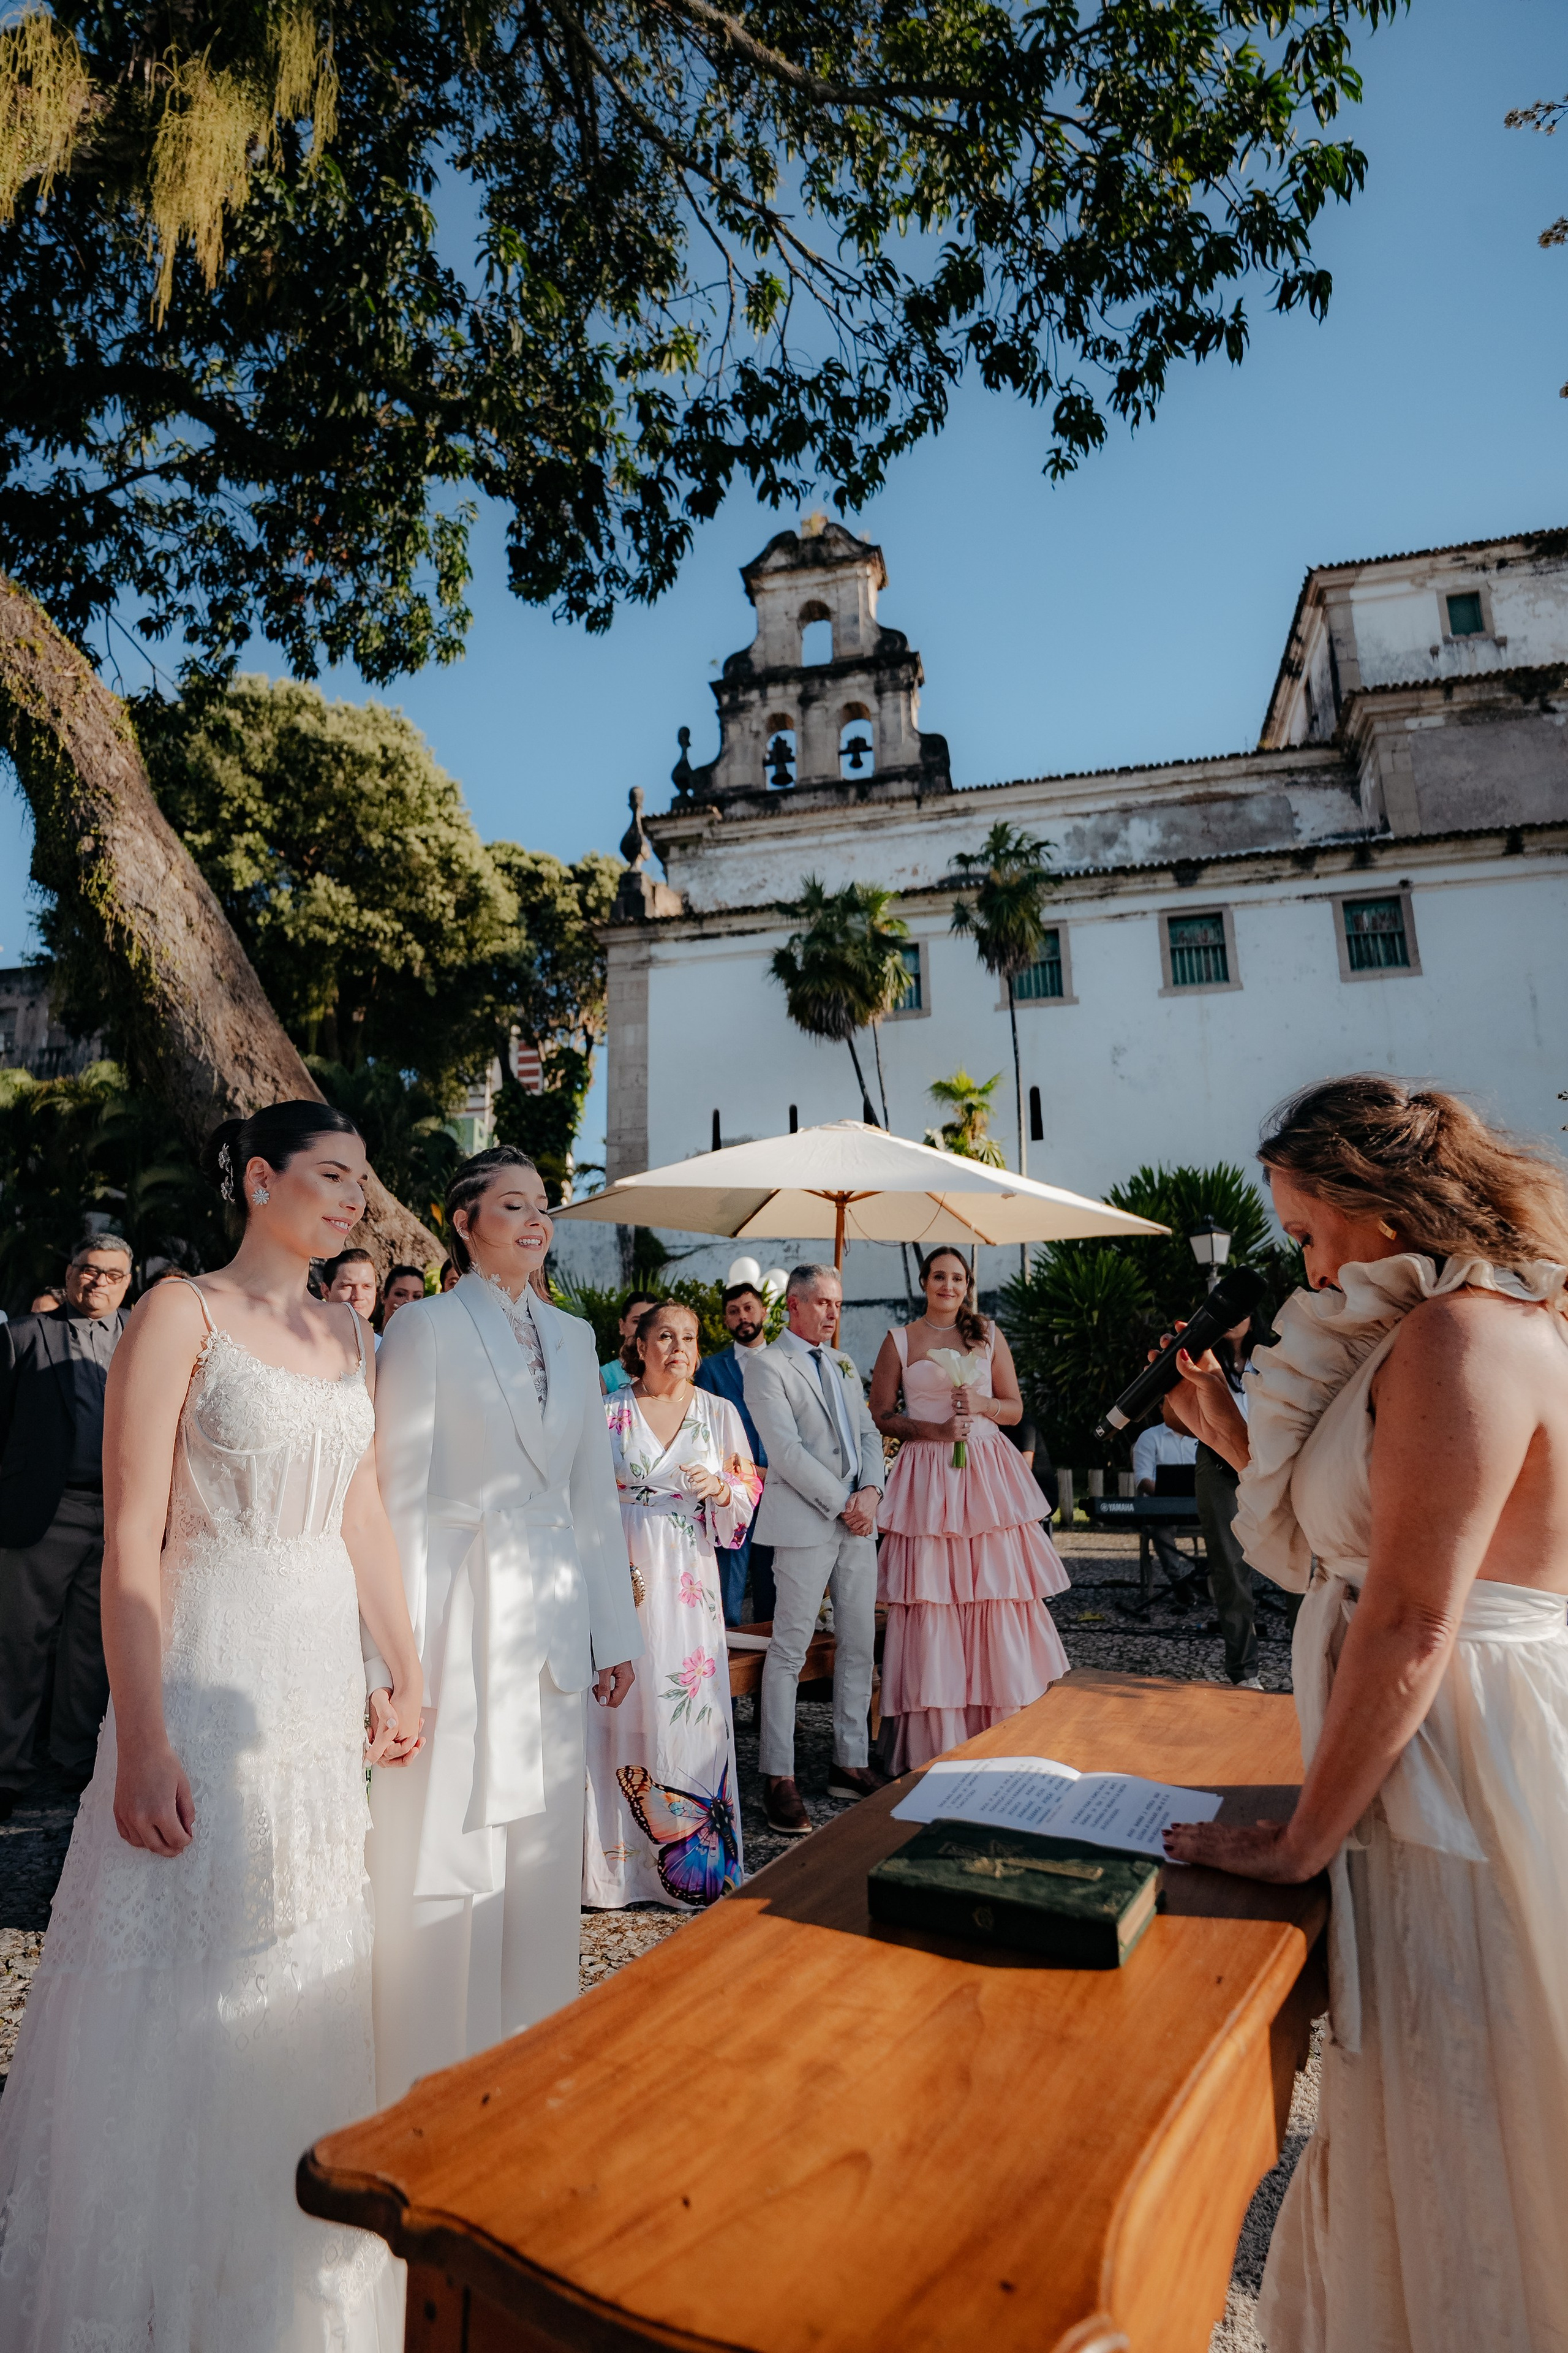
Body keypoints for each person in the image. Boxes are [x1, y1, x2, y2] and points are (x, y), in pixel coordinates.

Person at [0, 1101, 424, 2353]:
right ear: (258, 1180)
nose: (353, 1197)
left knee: (301, 1954)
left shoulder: (348, 1330)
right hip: (204, 1660)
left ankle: (284, 2269)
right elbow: (133, 1536)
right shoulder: (175, 1310)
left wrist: (405, 1667)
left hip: (310, 1680)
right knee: (180, 1965)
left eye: (362, 1179)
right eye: (332, 1176)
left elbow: (366, 1516)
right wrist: (138, 1741)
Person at [1161, 1075, 1568, 2353]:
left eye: (1308, 1226)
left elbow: (1410, 1616)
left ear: (1374, 1206)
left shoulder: (1462, 1338)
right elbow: (1357, 1553)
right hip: (1417, 1728)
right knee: (1406, 2086)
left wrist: (1297, 1841)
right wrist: (1238, 1443)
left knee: (1468, 2087)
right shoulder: (1424, 1330)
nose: (1302, 1255)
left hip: (1461, 1749)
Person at [366, 1144, 642, 2103]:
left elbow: (591, 1498)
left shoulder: (573, 1337)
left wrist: (616, 1632)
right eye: (512, 1205)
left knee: (538, 1844)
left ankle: (531, 2061)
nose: (535, 1221)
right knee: (450, 1836)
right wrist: (388, 1659)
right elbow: (396, 1500)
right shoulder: (424, 1329)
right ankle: (428, 2069)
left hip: (554, 1614)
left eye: (543, 1206)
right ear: (463, 1222)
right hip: (452, 1609)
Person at [584, 1300, 758, 1909]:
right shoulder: (606, 1411)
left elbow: (745, 1494)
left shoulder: (719, 1412)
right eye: (665, 1334)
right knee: (618, 1703)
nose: (678, 1346)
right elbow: (578, 1496)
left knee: (685, 1705)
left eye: (688, 1336)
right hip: (620, 1563)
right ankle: (613, 1870)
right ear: (640, 1342)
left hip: (687, 1573)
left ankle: (699, 1868)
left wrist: (723, 1490)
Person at [870, 1245, 1070, 1773]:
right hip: (927, 1475)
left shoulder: (987, 1334)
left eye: (957, 1277)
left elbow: (1015, 1407)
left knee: (993, 1592)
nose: (948, 1285)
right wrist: (934, 1431)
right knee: (934, 1596)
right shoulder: (899, 1340)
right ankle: (937, 1740)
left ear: (967, 1284)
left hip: (986, 1474)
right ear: (924, 1280)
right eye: (939, 1276)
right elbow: (882, 1414)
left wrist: (981, 1405)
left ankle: (1001, 1730)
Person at [741, 1264, 888, 1837]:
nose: (832, 1313)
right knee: (790, 1649)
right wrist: (844, 1501)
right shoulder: (767, 1366)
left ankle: (849, 1760)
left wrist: (872, 1493)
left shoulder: (845, 1363)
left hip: (859, 1521)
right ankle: (779, 1775)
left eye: (837, 1304)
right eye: (822, 1302)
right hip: (807, 1522)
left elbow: (870, 1433)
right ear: (794, 1306)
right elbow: (785, 1450)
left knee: (859, 1643)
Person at [0, 1232, 134, 1818]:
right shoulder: (26, 1336)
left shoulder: (140, 1335)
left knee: (92, 1645)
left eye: (112, 1273)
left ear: (129, 1282)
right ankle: (7, 1768)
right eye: (88, 1269)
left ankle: (75, 1759)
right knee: (19, 1644)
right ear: (70, 1271)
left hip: (122, 1512)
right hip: (45, 1511)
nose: (98, 1281)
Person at [1189, 1313, 1264, 1687]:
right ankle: (1244, 1671)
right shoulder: (1202, 1357)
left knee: (1307, 1563)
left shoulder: (1272, 1352)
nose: (1233, 1320)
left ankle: (1312, 1660)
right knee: (1229, 1567)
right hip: (1217, 1463)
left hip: (1272, 1460)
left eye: (1241, 1311)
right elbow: (1175, 1418)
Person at [695, 1278, 775, 1623]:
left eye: (748, 1308)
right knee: (730, 1577)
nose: (743, 1316)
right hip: (734, 1486)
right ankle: (727, 1655)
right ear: (726, 1320)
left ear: (764, 1312)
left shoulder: (787, 1361)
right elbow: (707, 1429)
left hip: (779, 1485)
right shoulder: (712, 1369)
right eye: (733, 1311)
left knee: (773, 1580)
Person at [1131, 1413, 1202, 1608]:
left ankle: (1207, 1581)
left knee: (1228, 1528)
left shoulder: (1203, 1435)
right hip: (1163, 1509)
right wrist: (1165, 1495)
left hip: (1201, 1507)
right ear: (1163, 1407)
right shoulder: (1150, 1437)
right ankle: (1179, 1583)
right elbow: (1142, 1478)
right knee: (1160, 1532)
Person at [601, 1290, 659, 1394]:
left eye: (651, 1322)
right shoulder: (604, 1375)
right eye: (636, 1321)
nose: (643, 1328)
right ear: (622, 1325)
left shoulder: (666, 1371)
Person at [325, 1245, 380, 1325]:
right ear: (326, 1291)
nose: (358, 1296)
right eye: (347, 1286)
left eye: (367, 1286)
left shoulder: (386, 1338)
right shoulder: (306, 1336)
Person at [380, 1262, 426, 1326]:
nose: (409, 1301)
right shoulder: (367, 1335)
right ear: (383, 1296)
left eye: (416, 1296)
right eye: (400, 1294)